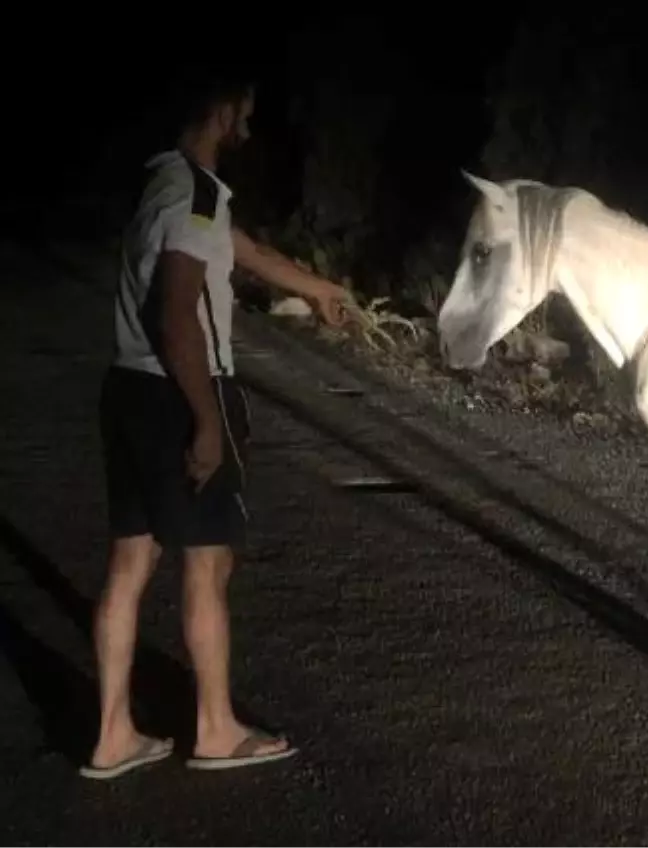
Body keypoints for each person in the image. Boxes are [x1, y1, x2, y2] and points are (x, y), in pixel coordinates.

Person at [80, 69, 353, 778]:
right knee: (208, 562)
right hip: (181, 394)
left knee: (131, 561)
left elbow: (244, 251)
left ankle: (114, 734)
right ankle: (215, 728)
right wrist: (205, 421)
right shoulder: (197, 195)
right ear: (223, 109)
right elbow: (178, 316)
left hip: (128, 390)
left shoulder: (161, 184)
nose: (250, 130)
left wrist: (319, 289)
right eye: (246, 115)